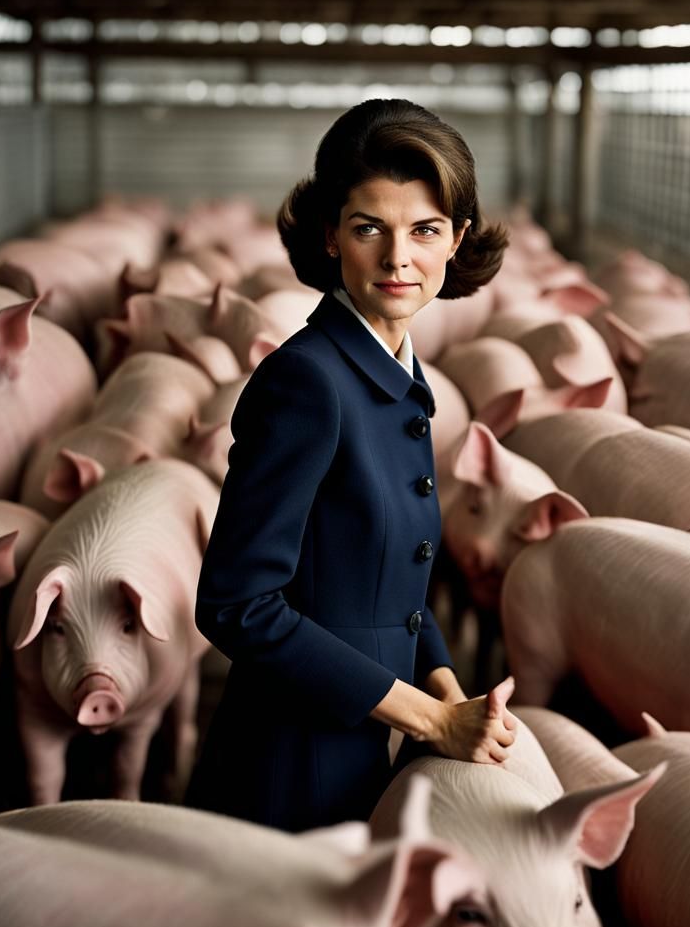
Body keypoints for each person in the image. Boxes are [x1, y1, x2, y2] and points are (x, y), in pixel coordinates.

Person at [186, 98, 516, 832]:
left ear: (457, 240)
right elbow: (237, 605)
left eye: (425, 230)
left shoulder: (398, 375)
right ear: (331, 236)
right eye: (370, 228)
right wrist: (427, 717)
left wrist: (450, 691)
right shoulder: (308, 382)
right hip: (290, 768)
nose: (399, 258)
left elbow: (387, 578)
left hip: (364, 745)